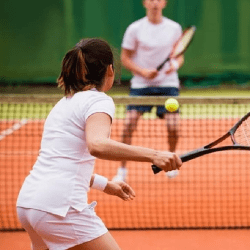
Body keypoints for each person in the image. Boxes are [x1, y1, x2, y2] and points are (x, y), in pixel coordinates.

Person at [16, 38, 182, 250]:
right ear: (110, 70)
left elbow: (62, 163)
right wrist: (155, 155)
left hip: (30, 204)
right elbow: (97, 144)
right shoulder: (99, 100)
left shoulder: (64, 102)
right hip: (60, 208)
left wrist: (105, 185)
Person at [113, 0, 184, 182]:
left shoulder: (174, 28)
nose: (155, 3)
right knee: (128, 125)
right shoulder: (135, 29)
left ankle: (171, 160)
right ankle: (122, 170)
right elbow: (125, 58)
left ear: (164, 3)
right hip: (141, 86)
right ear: (145, 3)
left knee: (173, 127)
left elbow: (178, 55)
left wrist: (174, 65)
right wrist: (143, 71)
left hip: (168, 85)